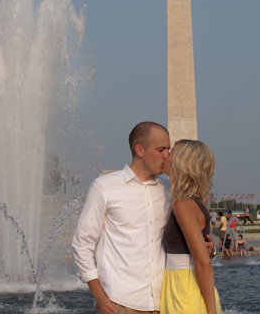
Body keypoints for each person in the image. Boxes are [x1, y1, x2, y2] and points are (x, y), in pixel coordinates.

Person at [72, 122, 214, 314]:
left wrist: (207, 249)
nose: (167, 155)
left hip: (167, 301)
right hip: (122, 302)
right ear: (140, 150)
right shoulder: (104, 187)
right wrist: (100, 297)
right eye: (161, 149)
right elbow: (82, 244)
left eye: (168, 149)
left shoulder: (170, 190)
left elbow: (183, 240)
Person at [161, 140, 221, 314]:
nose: (166, 155)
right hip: (184, 286)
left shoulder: (183, 205)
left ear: (181, 162)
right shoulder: (195, 202)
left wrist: (212, 311)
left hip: (184, 290)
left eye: (171, 152)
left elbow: (203, 262)